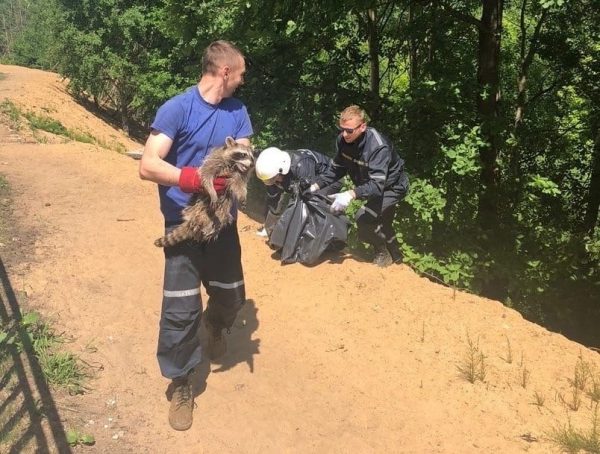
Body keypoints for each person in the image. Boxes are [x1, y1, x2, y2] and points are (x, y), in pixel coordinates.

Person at [138, 40, 252, 431]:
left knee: (231, 295)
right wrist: (191, 179)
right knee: (180, 308)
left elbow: (244, 154)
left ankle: (216, 324)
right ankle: (181, 381)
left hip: (223, 223)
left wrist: (236, 173)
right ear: (225, 72)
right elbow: (149, 164)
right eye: (240, 73)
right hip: (183, 223)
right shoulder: (177, 108)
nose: (241, 80)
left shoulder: (238, 112)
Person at [310, 105, 409, 267]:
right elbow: (336, 169)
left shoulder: (378, 147)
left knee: (363, 218)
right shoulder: (342, 141)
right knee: (383, 224)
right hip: (372, 185)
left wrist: (350, 194)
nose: (344, 134)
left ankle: (382, 253)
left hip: (392, 187)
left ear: (362, 127)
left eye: (349, 130)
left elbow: (377, 185)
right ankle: (397, 261)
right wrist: (315, 185)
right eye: (341, 129)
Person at [255, 147, 343, 235]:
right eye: (270, 180)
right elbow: (273, 199)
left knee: (314, 203)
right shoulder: (271, 171)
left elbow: (309, 195)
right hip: (307, 179)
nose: (274, 182)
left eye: (274, 178)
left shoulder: (301, 166)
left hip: (330, 178)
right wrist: (269, 226)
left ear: (282, 169)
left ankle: (321, 237)